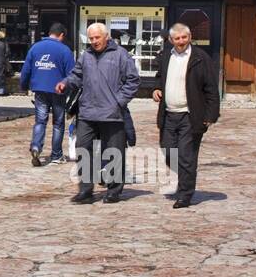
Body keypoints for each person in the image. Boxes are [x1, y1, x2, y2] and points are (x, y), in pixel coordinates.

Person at [58, 22, 140, 204]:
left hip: (112, 113)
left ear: (106, 36)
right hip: (87, 111)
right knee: (82, 148)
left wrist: (119, 101)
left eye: (97, 37)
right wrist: (65, 83)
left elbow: (133, 80)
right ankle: (86, 190)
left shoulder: (120, 55)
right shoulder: (86, 55)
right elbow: (76, 76)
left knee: (113, 152)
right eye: (91, 38)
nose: (94, 41)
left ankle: (113, 190)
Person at [152, 23, 220, 209]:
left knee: (187, 156)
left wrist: (211, 115)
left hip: (190, 115)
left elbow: (212, 89)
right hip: (168, 114)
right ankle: (184, 177)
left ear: (189, 37)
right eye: (177, 38)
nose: (181, 41)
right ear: (171, 40)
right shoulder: (166, 56)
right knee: (168, 151)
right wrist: (157, 88)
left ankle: (185, 194)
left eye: (184, 37)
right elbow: (160, 77)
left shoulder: (200, 58)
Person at [19, 22, 75, 166]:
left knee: (40, 121)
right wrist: (70, 90)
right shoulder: (65, 50)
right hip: (58, 91)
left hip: (39, 89)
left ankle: (36, 146)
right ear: (61, 35)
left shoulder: (35, 47)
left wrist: (24, 86)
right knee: (58, 123)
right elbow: (72, 74)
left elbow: (26, 70)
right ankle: (56, 155)